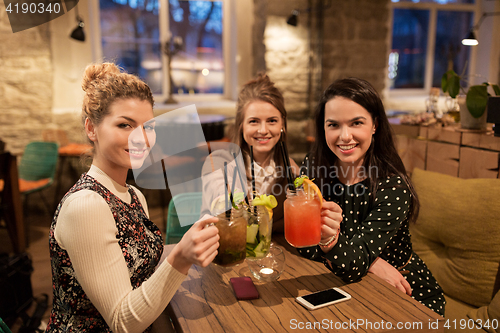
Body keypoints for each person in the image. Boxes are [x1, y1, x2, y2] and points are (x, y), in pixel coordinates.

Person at [46, 63, 219, 333]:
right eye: (125, 125)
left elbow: (139, 270)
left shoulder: (134, 195)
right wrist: (181, 257)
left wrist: (195, 242)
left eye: (148, 127)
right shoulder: (86, 206)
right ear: (91, 129)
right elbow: (121, 322)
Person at [298, 77, 445, 316]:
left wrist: (353, 256)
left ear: (374, 125)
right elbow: (305, 246)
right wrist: (372, 263)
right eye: (333, 125)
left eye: (356, 123)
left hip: (403, 291)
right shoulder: (313, 169)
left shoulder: (393, 186)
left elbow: (352, 264)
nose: (344, 136)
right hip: (346, 284)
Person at [200, 73, 298, 232]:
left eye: (272, 121)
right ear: (241, 126)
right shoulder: (219, 162)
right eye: (254, 121)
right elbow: (220, 199)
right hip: (225, 249)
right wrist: (226, 198)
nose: (263, 130)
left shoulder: (291, 171)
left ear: (282, 125)